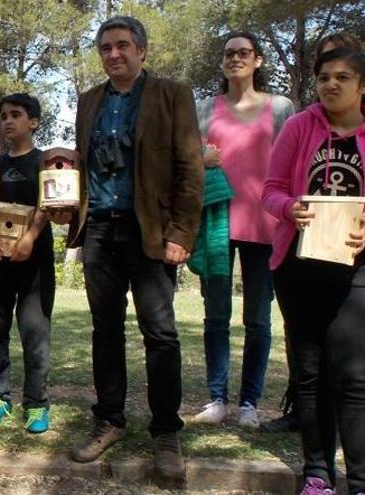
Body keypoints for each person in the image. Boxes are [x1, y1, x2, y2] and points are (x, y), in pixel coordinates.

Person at [54, 16, 203, 483]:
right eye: (105, 48)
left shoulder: (171, 95)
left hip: (152, 232)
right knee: (105, 330)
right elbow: (83, 164)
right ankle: (110, 419)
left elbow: (189, 168)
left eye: (122, 46)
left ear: (142, 50)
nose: (113, 54)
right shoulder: (89, 100)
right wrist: (66, 204)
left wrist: (180, 234)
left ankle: (166, 431)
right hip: (99, 228)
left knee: (160, 333)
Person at [262, 47, 365, 495]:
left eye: (343, 77)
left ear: (362, 86)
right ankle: (318, 474)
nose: (331, 85)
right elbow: (271, 190)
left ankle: (359, 480)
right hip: (299, 269)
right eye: (324, 77)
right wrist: (291, 208)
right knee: (310, 373)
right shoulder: (299, 126)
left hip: (356, 269)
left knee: (354, 374)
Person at [190, 32, 295, 428]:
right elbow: (187, 156)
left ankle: (249, 403)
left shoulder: (281, 107)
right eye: (229, 53)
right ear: (222, 62)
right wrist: (201, 157)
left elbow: (291, 161)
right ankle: (216, 399)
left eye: (244, 53)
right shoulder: (205, 108)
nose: (235, 58)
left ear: (258, 61)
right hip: (216, 223)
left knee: (258, 320)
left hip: (267, 226)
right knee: (216, 315)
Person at [0, 93, 55, 435]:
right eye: (3, 115)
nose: (7, 120)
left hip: (34, 262)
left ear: (33, 122)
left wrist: (30, 237)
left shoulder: (46, 161)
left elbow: (50, 204)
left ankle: (37, 403)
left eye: (16, 115)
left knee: (34, 333)